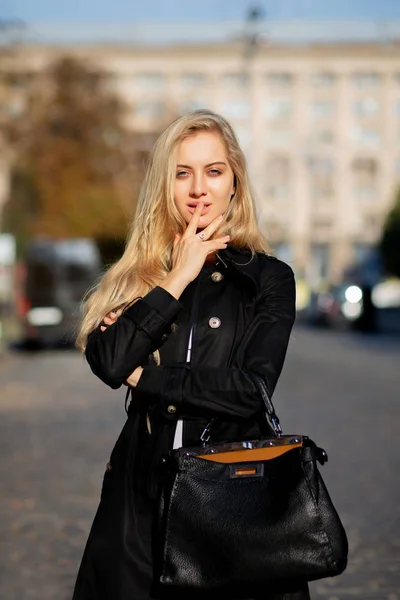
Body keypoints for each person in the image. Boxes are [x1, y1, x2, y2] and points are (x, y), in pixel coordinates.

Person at [73, 110, 309, 600]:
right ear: (165, 185)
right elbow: (110, 363)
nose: (198, 187)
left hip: (229, 492)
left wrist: (152, 379)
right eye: (183, 172)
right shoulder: (139, 276)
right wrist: (176, 278)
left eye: (214, 171)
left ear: (235, 183)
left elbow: (252, 391)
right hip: (139, 499)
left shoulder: (267, 278)